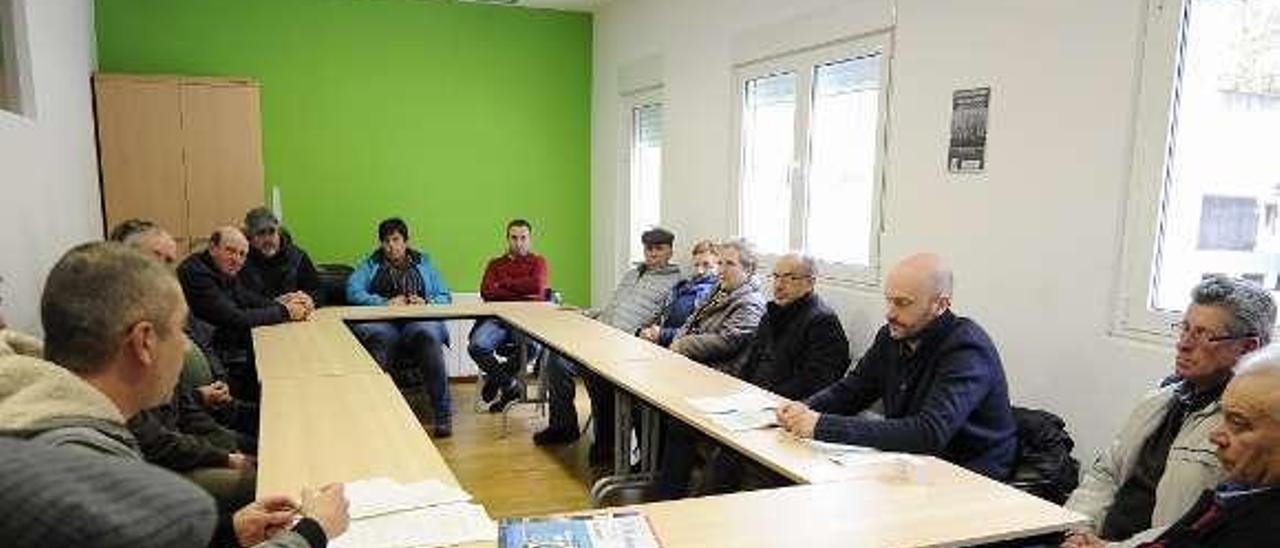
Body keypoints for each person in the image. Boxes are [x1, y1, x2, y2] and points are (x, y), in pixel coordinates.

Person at [0, 242, 348, 548]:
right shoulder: (88, 476)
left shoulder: (42, 420)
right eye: (179, 330)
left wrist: (227, 534)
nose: (185, 347)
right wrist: (313, 532)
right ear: (145, 342)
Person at [1062, 276, 1274, 547]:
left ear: (1248, 347)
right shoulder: (1158, 400)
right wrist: (1077, 530)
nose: (1184, 344)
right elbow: (1106, 473)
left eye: (1204, 335)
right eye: (1184, 329)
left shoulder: (1245, 432)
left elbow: (1200, 526)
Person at [776, 253, 1017, 480]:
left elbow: (929, 433)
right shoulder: (892, 336)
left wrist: (821, 425)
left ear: (940, 305)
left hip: (970, 475)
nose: (889, 313)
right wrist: (804, 409)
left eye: (902, 303)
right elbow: (852, 390)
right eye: (889, 300)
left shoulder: (966, 349)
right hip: (912, 464)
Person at [1106, 346, 1280, 548]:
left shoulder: (1263, 529)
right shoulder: (1237, 489)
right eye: (1222, 416)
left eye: (1238, 423)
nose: (1215, 436)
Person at [533, 228, 683, 458]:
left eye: (659, 249)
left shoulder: (676, 283)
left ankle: (607, 443)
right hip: (599, 333)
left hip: (626, 344)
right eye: (648, 248)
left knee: (596, 374)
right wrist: (585, 313)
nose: (652, 253)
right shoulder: (632, 274)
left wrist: (640, 336)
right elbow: (613, 309)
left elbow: (662, 323)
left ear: (670, 251)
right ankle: (564, 427)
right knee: (556, 358)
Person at [346, 217, 454, 437]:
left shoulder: (424, 262)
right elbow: (353, 291)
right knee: (380, 338)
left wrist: (427, 303)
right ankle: (375, 413)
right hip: (383, 323)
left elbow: (445, 295)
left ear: (406, 241)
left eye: (396, 240)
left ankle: (443, 415)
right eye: (386, 241)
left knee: (428, 336)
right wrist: (383, 303)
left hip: (419, 321)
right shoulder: (371, 264)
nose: (391, 246)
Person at [179, 226, 309, 401]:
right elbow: (235, 318)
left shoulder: (221, 269)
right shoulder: (195, 273)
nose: (237, 260)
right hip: (216, 359)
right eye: (230, 251)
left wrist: (281, 302)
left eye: (242, 254)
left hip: (225, 348)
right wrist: (285, 312)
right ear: (212, 248)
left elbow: (247, 299)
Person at [468, 219, 550, 412]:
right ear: (507, 239)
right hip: (496, 319)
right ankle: (510, 386)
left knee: (532, 346)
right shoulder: (495, 264)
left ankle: (497, 379)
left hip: (526, 321)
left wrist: (503, 283)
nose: (519, 242)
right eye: (514, 238)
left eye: (523, 238)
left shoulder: (539, 262)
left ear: (530, 239)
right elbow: (487, 292)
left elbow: (536, 287)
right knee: (476, 346)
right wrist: (521, 290)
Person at [666, 238, 767, 375]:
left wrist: (683, 345)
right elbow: (692, 319)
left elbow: (728, 341)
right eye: (720, 263)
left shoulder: (752, 303)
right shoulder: (718, 290)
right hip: (691, 362)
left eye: (730, 264)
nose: (721, 270)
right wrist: (677, 340)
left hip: (718, 375)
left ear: (748, 269)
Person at [639, 239, 719, 347]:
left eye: (706, 265)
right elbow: (662, 313)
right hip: (659, 340)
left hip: (680, 346)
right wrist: (648, 331)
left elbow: (700, 333)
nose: (700, 271)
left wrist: (662, 334)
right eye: (696, 265)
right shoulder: (682, 286)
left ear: (719, 267)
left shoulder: (714, 293)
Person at [239, 207, 321, 308]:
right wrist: (277, 304)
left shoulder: (298, 257)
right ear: (249, 238)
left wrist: (309, 299)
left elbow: (319, 292)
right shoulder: (241, 261)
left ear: (279, 232)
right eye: (261, 233)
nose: (268, 239)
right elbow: (241, 299)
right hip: (259, 321)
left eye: (272, 232)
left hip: (296, 320)